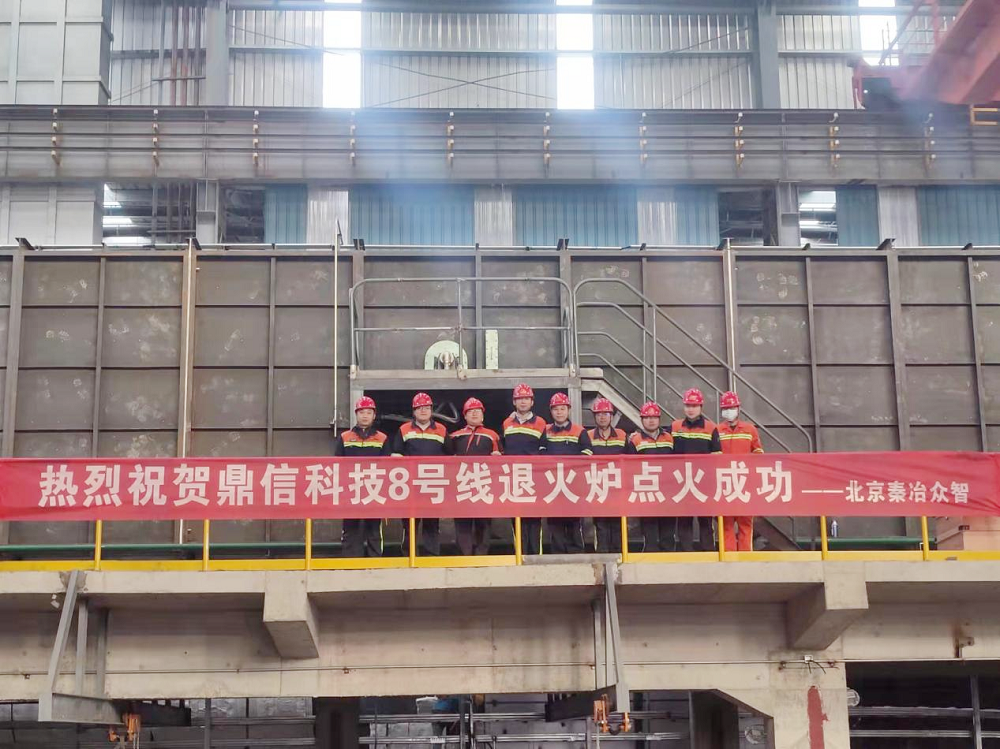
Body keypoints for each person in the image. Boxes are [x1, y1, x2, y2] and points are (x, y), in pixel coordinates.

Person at [389, 392, 452, 555]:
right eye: (419, 408)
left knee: (432, 523)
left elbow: (451, 455)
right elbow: (397, 453)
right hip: (411, 485)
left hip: (433, 483)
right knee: (409, 523)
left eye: (426, 408)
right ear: (414, 411)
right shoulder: (404, 429)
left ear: (431, 410)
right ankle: (409, 555)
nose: (423, 411)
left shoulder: (441, 430)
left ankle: (432, 556)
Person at [334, 395, 388, 557]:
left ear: (374, 415)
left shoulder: (382, 438)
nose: (365, 416)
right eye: (362, 412)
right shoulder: (345, 437)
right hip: (351, 489)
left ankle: (374, 561)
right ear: (356, 414)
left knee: (374, 529)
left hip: (374, 489)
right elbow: (337, 463)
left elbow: (388, 466)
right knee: (351, 528)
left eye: (369, 412)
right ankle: (350, 561)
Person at [670, 388, 722, 552]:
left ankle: (708, 552)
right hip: (682, 482)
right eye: (688, 405)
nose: (690, 409)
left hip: (704, 483)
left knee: (705, 520)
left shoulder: (711, 428)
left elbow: (717, 457)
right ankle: (687, 552)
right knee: (684, 520)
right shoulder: (675, 426)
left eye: (694, 406)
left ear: (701, 407)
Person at [540, 392, 593, 553]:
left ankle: (576, 551)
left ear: (568, 410)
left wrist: (572, 467)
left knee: (574, 520)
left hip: (573, 484)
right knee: (554, 520)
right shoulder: (545, 430)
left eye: (562, 409)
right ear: (551, 411)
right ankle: (558, 553)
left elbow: (588, 452)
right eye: (556, 409)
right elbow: (541, 453)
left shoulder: (579, 431)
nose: (559, 412)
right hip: (553, 484)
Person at [450, 397, 502, 555]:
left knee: (484, 522)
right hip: (462, 485)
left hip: (484, 484)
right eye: (470, 411)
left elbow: (501, 458)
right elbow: (448, 459)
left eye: (477, 411)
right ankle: (465, 555)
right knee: (462, 522)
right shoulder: (455, 436)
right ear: (465, 416)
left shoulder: (492, 435)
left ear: (483, 415)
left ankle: (481, 554)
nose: (474, 414)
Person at [502, 383, 548, 554]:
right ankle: (520, 557)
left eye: (526, 398)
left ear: (532, 402)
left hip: (533, 480)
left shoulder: (541, 423)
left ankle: (536, 557)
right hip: (513, 479)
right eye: (519, 398)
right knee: (516, 519)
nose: (523, 402)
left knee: (534, 520)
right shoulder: (507, 423)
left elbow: (544, 450)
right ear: (514, 401)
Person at [717, 390, 764, 552]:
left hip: (745, 484)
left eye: (732, 408)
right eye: (726, 408)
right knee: (726, 524)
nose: (729, 411)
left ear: (738, 409)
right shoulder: (717, 430)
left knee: (745, 524)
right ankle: (729, 558)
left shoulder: (750, 430)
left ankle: (745, 558)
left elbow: (758, 452)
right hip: (724, 485)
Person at [625, 401, 675, 552]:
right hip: (647, 492)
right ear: (641, 419)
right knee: (649, 532)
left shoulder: (669, 438)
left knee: (668, 531)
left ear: (659, 419)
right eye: (647, 417)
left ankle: (668, 556)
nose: (651, 420)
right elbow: (630, 467)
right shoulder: (635, 440)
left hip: (667, 492)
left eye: (654, 417)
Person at [587, 397, 628, 554]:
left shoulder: (622, 435)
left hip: (618, 488)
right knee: (601, 524)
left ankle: (618, 556)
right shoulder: (588, 436)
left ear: (611, 416)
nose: (602, 417)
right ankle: (602, 556)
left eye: (605, 414)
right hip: (598, 487)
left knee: (617, 524)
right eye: (598, 414)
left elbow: (630, 460)